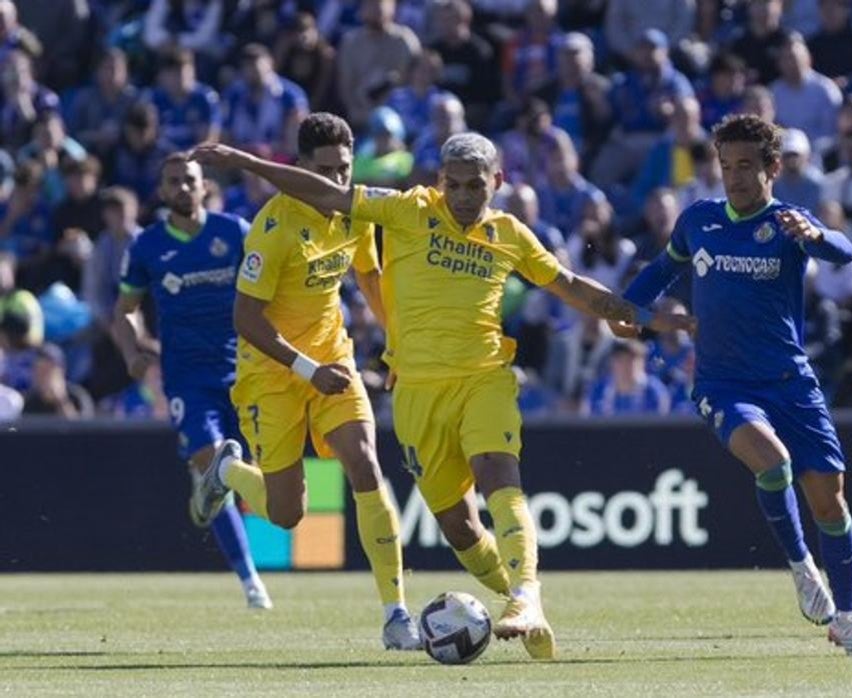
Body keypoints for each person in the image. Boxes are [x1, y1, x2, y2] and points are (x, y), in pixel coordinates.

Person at [191, 131, 694, 661]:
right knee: (453, 527)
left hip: (483, 379)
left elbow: (569, 284)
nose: (462, 196)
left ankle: (510, 600)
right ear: (438, 182)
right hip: (412, 394)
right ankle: (514, 596)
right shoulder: (406, 211)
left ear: (496, 183)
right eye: (452, 184)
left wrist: (642, 317)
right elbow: (329, 197)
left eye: (474, 186)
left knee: (488, 473)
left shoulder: (510, 233)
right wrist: (246, 162)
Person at [621, 115, 852, 658]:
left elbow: (844, 253)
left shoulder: (788, 223)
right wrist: (624, 308)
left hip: (792, 383)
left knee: (830, 503)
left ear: (772, 168)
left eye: (745, 166)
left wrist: (816, 236)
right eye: (726, 166)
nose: (733, 177)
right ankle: (801, 567)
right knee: (773, 461)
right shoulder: (698, 220)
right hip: (723, 382)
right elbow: (659, 273)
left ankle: (850, 619)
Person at [189, 114, 420, 650]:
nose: (338, 181)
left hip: (332, 358)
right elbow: (245, 319)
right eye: (326, 170)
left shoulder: (353, 214)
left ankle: (395, 615)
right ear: (299, 167)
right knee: (286, 514)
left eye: (344, 168)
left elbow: (368, 274)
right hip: (272, 375)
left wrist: (396, 345)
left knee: (364, 462)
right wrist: (305, 369)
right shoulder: (274, 226)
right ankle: (229, 470)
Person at [111, 153, 272, 611]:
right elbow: (123, 311)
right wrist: (132, 353)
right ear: (161, 191)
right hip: (187, 380)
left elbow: (269, 291)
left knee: (247, 479)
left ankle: (208, 486)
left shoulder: (234, 233)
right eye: (173, 181)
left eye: (190, 180)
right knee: (213, 459)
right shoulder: (147, 246)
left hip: (246, 373)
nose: (182, 187)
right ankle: (251, 581)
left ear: (205, 186)